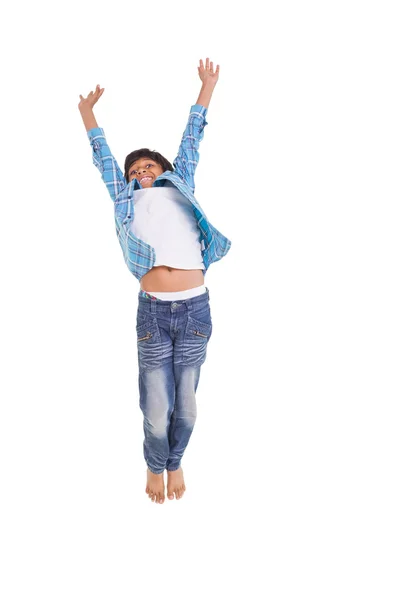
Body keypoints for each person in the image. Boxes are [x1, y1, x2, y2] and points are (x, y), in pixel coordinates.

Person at [78, 58, 231, 504]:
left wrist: (206, 87)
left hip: (195, 308)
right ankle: (153, 462)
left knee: (186, 404)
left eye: (147, 167)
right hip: (152, 311)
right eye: (134, 170)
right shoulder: (126, 199)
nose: (140, 172)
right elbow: (102, 158)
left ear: (162, 169)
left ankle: (175, 459)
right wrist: (88, 114)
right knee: (157, 405)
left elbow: (192, 138)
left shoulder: (178, 183)